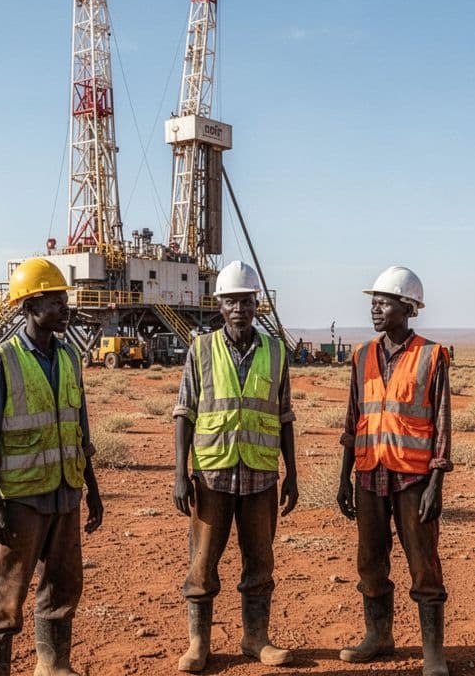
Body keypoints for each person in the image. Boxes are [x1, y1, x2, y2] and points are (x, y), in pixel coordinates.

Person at [0, 257, 104, 676]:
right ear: (29, 306)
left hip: (65, 493)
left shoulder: (69, 357)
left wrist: (93, 490)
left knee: (63, 587)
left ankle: (54, 666)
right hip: (22, 500)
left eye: (64, 299)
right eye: (55, 299)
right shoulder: (1, 361)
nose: (66, 307)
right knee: (6, 597)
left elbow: (80, 432)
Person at [172, 260, 299, 672]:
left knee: (260, 561)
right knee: (202, 563)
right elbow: (184, 412)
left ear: (256, 305)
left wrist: (293, 473)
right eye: (231, 301)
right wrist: (179, 473)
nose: (239, 309)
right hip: (212, 474)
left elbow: (283, 416)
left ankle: (255, 637)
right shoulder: (201, 349)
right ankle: (198, 644)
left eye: (245, 301)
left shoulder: (276, 351)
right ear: (220, 305)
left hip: (261, 475)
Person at [337, 266, 453, 676]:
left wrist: (436, 482)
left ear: (407, 308)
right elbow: (353, 421)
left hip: (412, 478)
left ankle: (433, 654)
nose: (375, 308)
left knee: (423, 562)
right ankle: (379, 637)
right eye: (373, 301)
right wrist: (343, 480)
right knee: (370, 560)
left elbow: (441, 421)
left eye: (383, 302)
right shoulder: (361, 355)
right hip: (368, 474)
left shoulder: (431, 355)